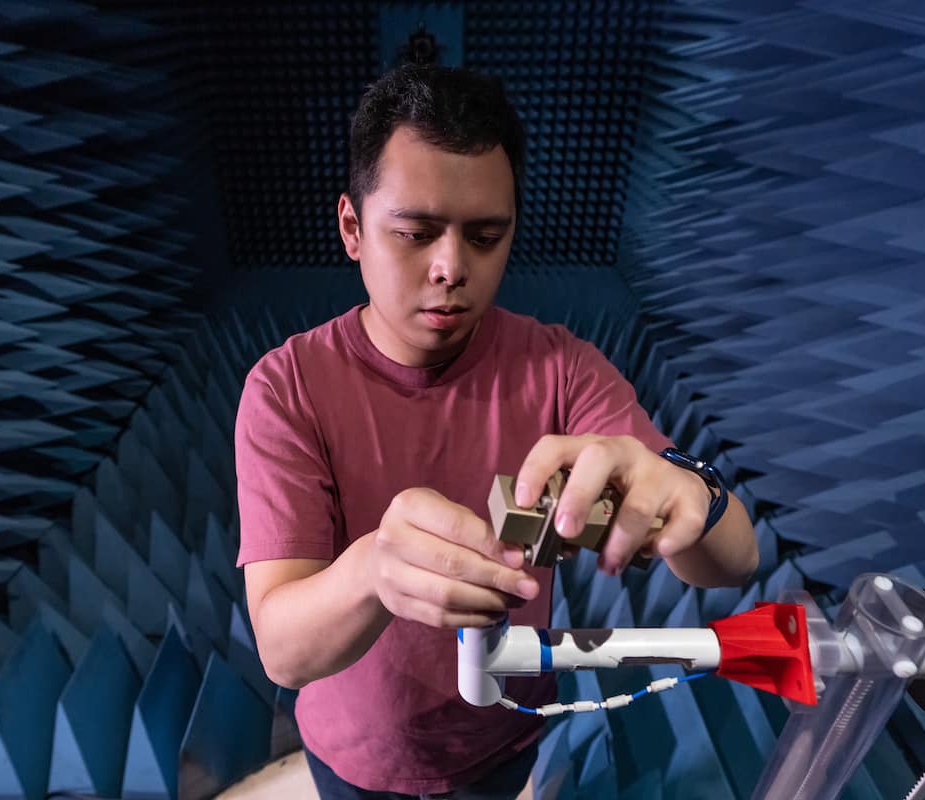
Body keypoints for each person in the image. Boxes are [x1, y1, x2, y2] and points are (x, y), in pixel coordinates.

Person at [234, 63, 758, 799]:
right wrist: (373, 569)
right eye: (415, 234)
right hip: (350, 759)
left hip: (505, 735)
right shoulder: (285, 389)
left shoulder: (565, 370)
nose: (451, 268)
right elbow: (284, 651)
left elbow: (735, 562)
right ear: (352, 228)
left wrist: (686, 490)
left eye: (485, 236)